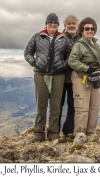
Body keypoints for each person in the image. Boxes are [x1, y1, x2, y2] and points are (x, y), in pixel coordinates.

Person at [24, 13, 71, 142]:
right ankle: (38, 134)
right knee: (41, 106)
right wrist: (34, 62)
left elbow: (70, 56)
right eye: (50, 22)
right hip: (41, 75)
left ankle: (53, 134)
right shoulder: (37, 37)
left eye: (55, 23)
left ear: (58, 25)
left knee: (55, 106)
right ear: (46, 23)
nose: (53, 24)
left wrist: (62, 65)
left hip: (58, 75)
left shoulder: (63, 39)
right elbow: (28, 52)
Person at [68, 17, 100, 138]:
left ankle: (91, 132)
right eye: (87, 28)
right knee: (82, 107)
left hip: (94, 80)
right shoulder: (79, 45)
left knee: (94, 107)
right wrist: (86, 68)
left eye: (92, 28)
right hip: (81, 78)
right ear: (82, 30)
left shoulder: (98, 46)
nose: (90, 30)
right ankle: (79, 133)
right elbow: (72, 61)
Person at [59, 14, 80, 139]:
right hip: (60, 77)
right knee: (58, 105)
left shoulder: (81, 39)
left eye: (73, 23)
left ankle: (69, 131)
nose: (71, 25)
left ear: (77, 25)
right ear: (65, 26)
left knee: (73, 106)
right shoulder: (59, 38)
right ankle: (54, 131)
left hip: (74, 78)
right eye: (69, 24)